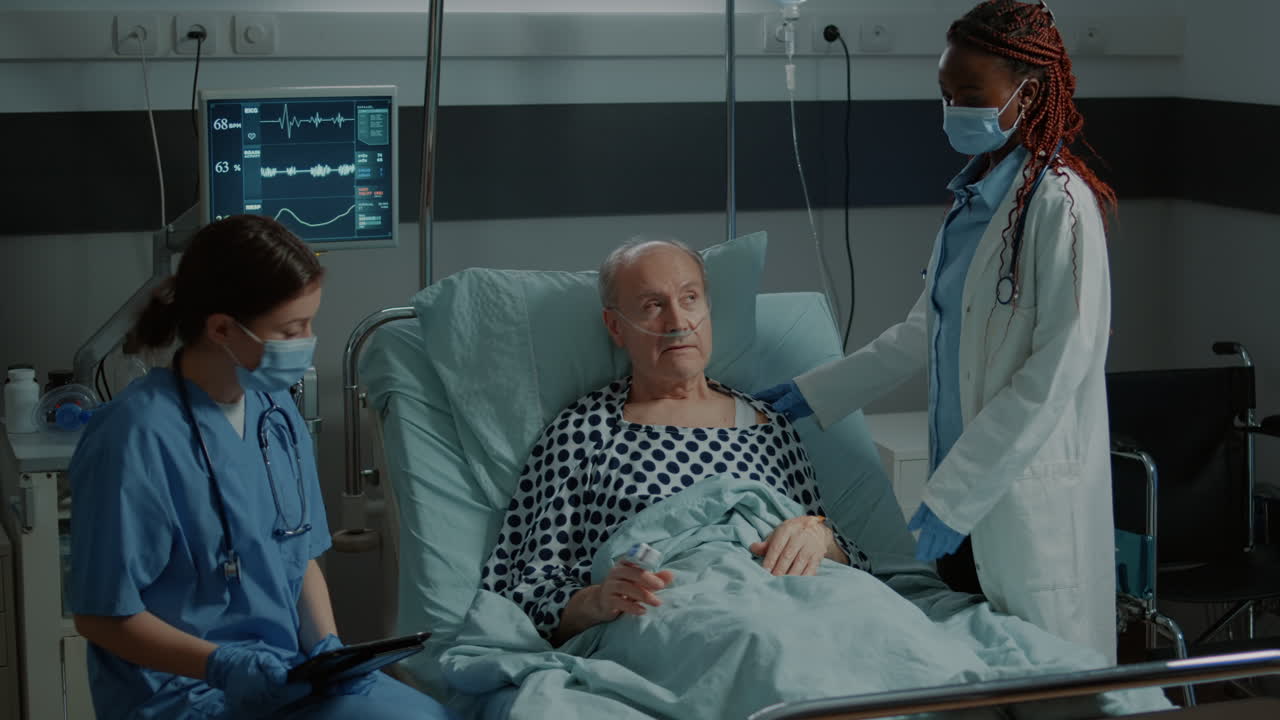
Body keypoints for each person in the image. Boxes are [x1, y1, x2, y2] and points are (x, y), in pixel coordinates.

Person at [757, 0, 1117, 662]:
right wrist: (815, 392)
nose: (954, 111)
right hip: (961, 496)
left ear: (1027, 92)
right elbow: (922, 331)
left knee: (1044, 675)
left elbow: (1055, 375)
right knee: (969, 666)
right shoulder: (973, 203)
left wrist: (954, 498)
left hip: (1019, 505)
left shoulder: (1062, 208)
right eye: (946, 95)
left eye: (971, 95)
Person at [68, 215, 457, 720]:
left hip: (286, 679)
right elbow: (100, 616)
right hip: (181, 695)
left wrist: (328, 650)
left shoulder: (275, 411)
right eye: (291, 330)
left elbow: (300, 556)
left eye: (309, 324)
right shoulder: (134, 436)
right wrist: (221, 665)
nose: (308, 340)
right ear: (222, 329)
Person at [479, 237, 872, 645]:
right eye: (653, 305)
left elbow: (849, 557)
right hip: (681, 623)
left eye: (689, 299)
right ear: (615, 327)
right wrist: (599, 600)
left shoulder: (769, 427)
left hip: (801, 608)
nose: (678, 322)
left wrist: (822, 539)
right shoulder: (584, 433)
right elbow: (523, 590)